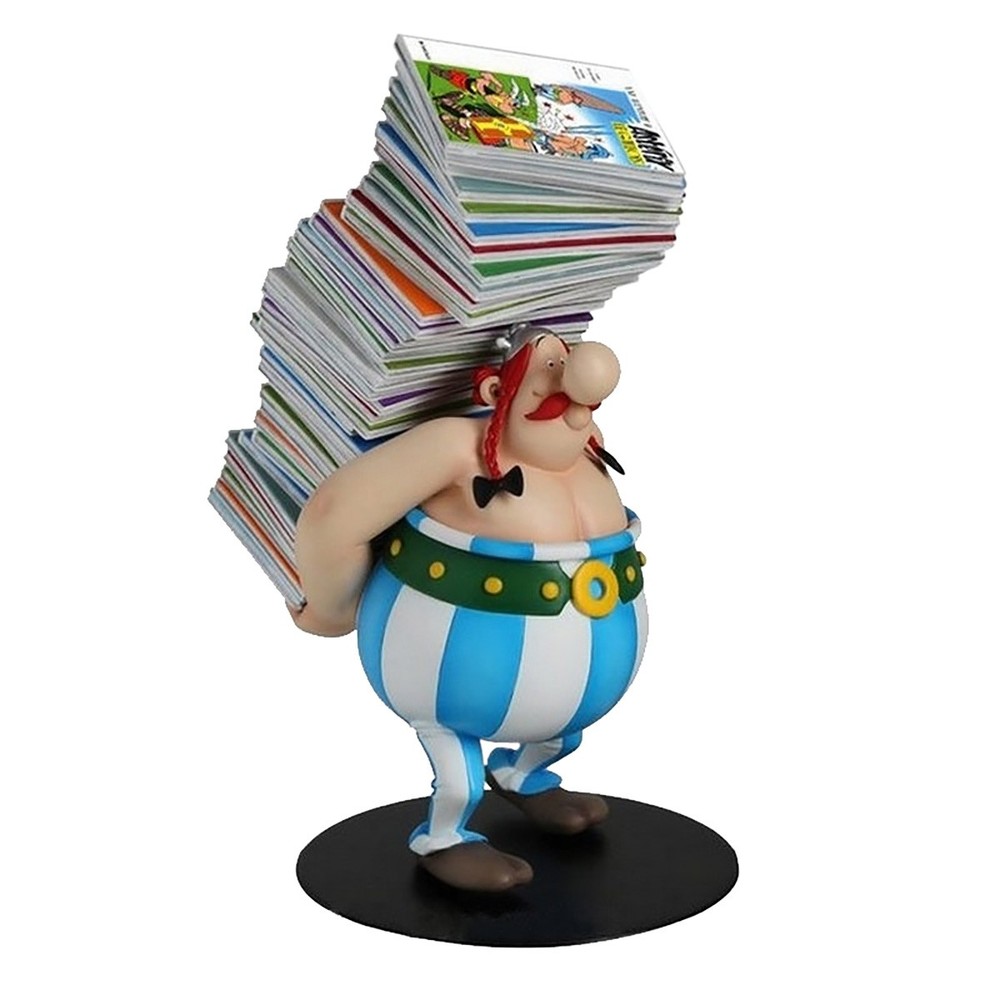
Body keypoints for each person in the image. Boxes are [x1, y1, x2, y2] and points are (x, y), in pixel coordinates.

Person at [290, 327, 647, 891]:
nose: (572, 380)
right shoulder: (457, 446)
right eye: (549, 365)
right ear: (493, 390)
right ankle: (444, 837)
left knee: (562, 732)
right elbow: (336, 513)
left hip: (582, 676)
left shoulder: (582, 442)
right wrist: (333, 609)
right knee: (459, 776)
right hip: (440, 671)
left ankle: (522, 775)